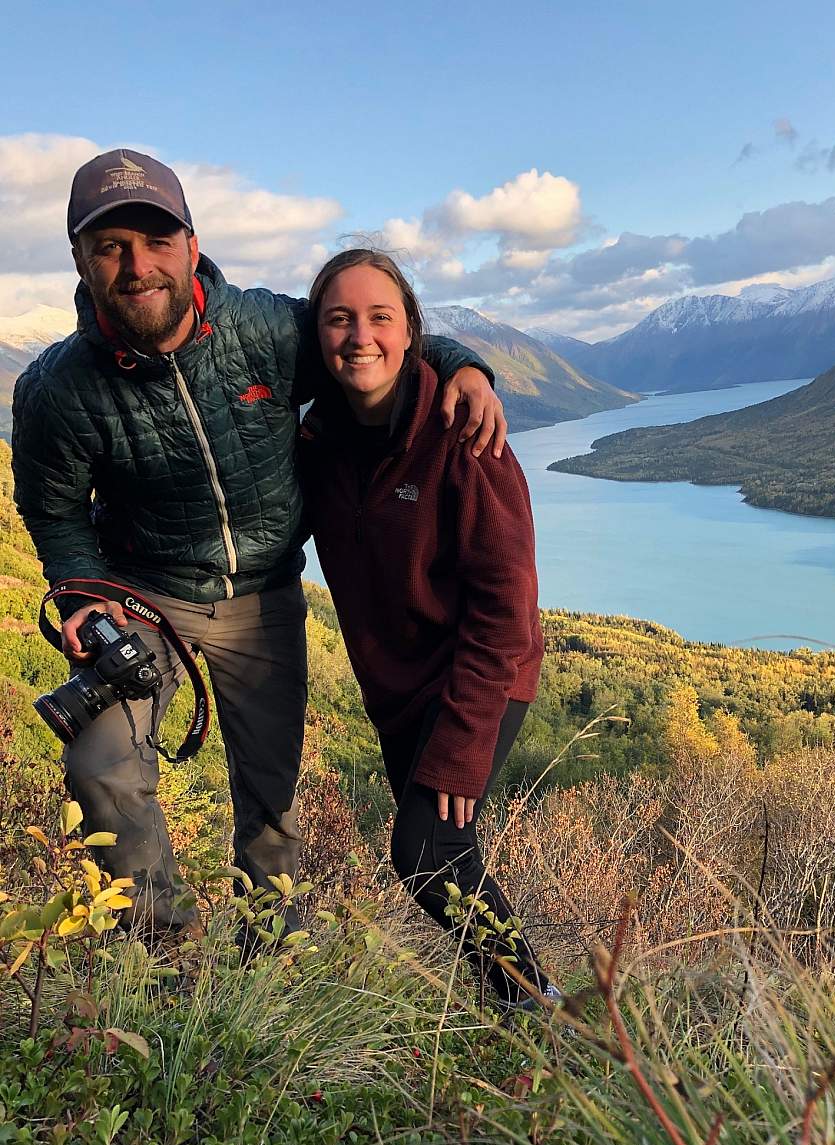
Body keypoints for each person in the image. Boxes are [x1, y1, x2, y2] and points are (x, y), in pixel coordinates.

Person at [12, 149, 505, 941]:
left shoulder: (268, 329)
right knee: (100, 764)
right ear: (79, 259)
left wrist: (466, 366)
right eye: (110, 247)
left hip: (265, 596)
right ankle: (159, 959)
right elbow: (54, 509)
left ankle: (267, 948)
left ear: (192, 244)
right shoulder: (58, 389)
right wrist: (80, 588)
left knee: (271, 796)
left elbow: (374, 340)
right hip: (144, 594)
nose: (138, 266)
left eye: (156, 241)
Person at [298, 249, 555, 1007]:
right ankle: (531, 1008)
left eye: (381, 317)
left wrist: (460, 746)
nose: (359, 335)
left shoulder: (462, 432)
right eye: (338, 319)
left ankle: (537, 1010)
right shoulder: (319, 443)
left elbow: (508, 612)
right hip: (400, 689)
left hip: (479, 677)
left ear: (413, 331)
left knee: (427, 855)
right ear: (316, 337)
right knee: (448, 857)